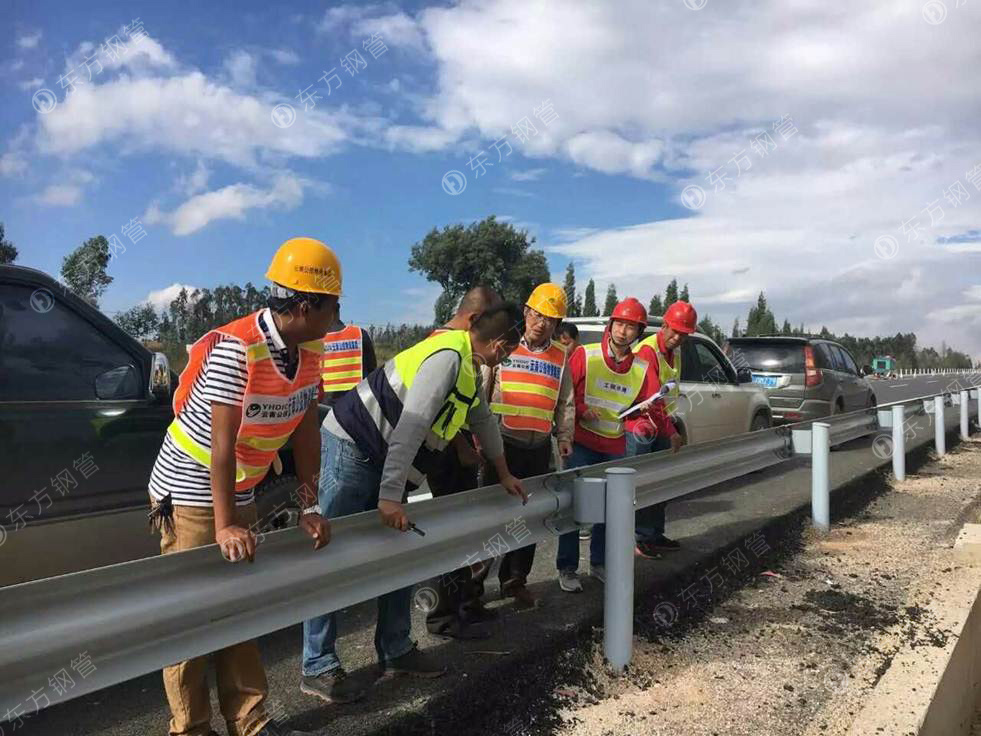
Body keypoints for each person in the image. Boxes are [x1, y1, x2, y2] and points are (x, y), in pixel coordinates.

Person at [147, 236, 336, 736]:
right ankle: (191, 729)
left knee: (239, 603)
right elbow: (221, 443)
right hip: (190, 486)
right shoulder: (237, 348)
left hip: (240, 486)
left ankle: (250, 721)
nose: (338, 317)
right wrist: (226, 523)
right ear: (304, 305)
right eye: (332, 305)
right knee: (194, 611)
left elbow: (306, 429)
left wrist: (309, 503)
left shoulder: (312, 350)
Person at [301, 303, 528, 701]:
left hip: (387, 457)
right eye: (508, 350)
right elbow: (412, 426)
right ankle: (318, 664)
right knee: (331, 556)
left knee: (399, 557)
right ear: (500, 343)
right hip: (353, 446)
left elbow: (483, 420)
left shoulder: (467, 365)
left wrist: (504, 472)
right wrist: (390, 496)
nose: (505, 358)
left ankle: (396, 648)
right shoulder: (446, 359)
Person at [555, 297, 664, 593]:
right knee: (574, 506)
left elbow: (651, 405)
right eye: (620, 324)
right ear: (611, 325)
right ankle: (567, 567)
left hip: (614, 445)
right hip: (581, 443)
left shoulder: (641, 367)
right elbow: (565, 395)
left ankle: (599, 563)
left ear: (638, 333)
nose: (623, 331)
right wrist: (580, 408)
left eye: (631, 327)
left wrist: (648, 425)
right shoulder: (585, 355)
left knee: (607, 508)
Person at [478, 283, 575, 609]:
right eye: (537, 314)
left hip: (538, 449)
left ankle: (515, 580)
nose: (542, 323)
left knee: (529, 519)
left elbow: (565, 403)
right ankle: (473, 588)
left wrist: (564, 437)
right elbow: (483, 388)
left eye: (551, 319)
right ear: (526, 312)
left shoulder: (562, 355)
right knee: (490, 518)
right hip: (501, 446)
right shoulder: (503, 344)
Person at [423, 287, 508, 640]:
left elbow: (479, 413)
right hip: (443, 453)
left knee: (466, 531)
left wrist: (501, 468)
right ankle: (443, 616)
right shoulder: (441, 348)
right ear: (476, 320)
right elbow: (433, 410)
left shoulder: (466, 351)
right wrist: (460, 446)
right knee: (450, 533)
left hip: (459, 452)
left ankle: (466, 603)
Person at [624, 300, 697, 558]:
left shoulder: (672, 351)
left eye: (684, 334)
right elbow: (652, 399)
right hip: (641, 428)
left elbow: (668, 392)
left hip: (661, 426)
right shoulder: (648, 350)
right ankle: (638, 539)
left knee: (660, 482)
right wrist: (672, 431)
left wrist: (670, 426)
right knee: (641, 485)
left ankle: (653, 534)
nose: (678, 338)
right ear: (664, 326)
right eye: (674, 331)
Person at [320, 306, 378, 408]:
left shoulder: (315, 339)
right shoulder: (360, 334)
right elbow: (372, 370)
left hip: (324, 405)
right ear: (338, 311)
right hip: (356, 403)